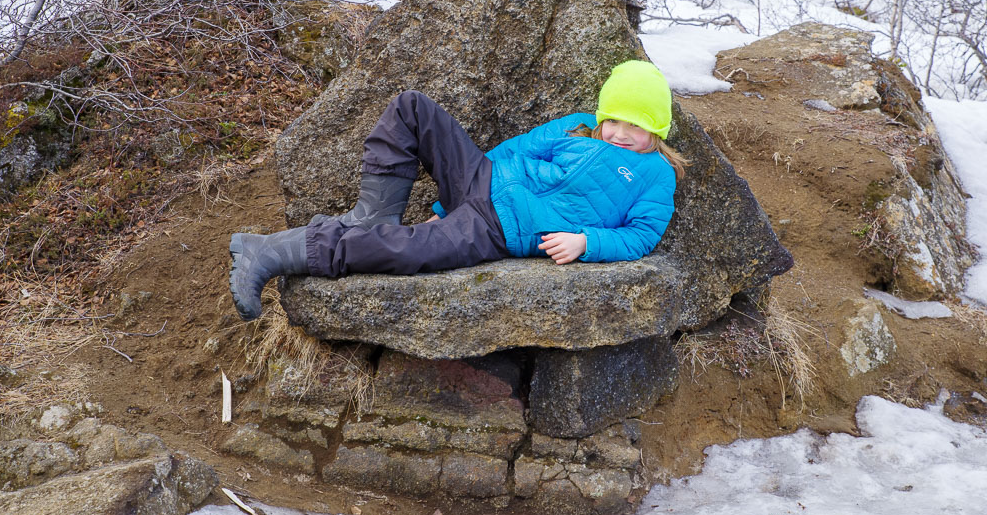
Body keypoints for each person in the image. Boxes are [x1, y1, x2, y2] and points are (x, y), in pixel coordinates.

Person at [229, 60, 687, 321]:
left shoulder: (656, 175)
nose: (621, 132)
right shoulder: (578, 127)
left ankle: (269, 252)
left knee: (406, 254)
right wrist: (443, 204)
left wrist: (586, 243)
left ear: (658, 131)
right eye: (615, 119)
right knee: (412, 108)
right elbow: (513, 150)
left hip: (498, 229)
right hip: (484, 178)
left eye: (637, 125)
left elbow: (642, 236)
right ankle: (371, 217)